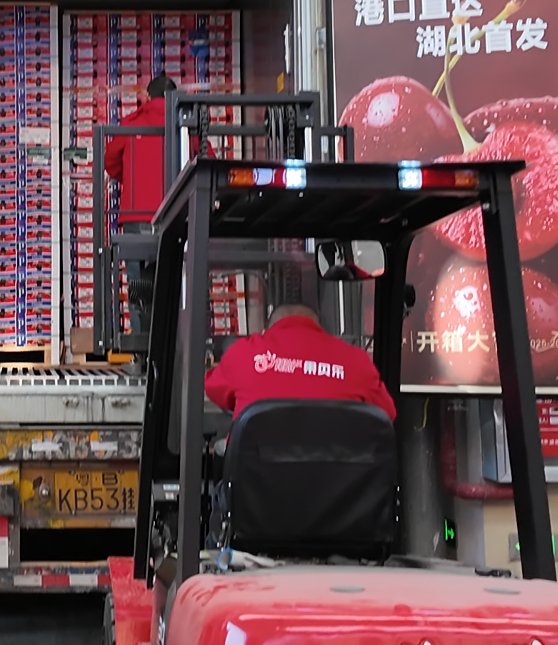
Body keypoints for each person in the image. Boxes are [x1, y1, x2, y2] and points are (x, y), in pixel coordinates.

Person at [204, 304, 395, 420]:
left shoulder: (243, 354)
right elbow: (387, 413)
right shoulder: (356, 361)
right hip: (340, 474)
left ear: (266, 331)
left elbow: (213, 389)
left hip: (256, 475)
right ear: (321, 330)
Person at [104, 74, 178, 342]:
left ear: (147, 97)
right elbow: (204, 160)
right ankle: (177, 344)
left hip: (136, 216)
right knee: (175, 280)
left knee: (139, 285)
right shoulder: (185, 124)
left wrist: (130, 179)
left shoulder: (130, 124)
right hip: (176, 214)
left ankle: (140, 346)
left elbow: (110, 161)